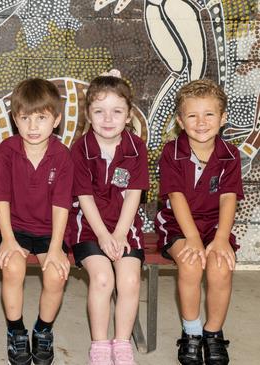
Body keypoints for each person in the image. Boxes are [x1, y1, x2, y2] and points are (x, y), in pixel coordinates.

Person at [155, 79, 243, 365]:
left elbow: (229, 198)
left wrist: (220, 239)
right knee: (191, 264)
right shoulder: (172, 152)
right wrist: (192, 238)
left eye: (209, 114)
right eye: (192, 115)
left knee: (220, 266)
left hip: (215, 226)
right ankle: (191, 332)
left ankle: (213, 333)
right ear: (180, 120)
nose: (201, 122)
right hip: (178, 225)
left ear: (223, 118)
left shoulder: (230, 155)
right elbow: (176, 197)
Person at [68, 72, 149, 365]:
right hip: (88, 226)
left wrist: (119, 234)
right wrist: (103, 235)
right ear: (88, 114)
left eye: (117, 111)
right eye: (99, 111)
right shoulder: (80, 149)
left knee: (128, 280)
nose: (108, 119)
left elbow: (134, 194)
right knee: (102, 279)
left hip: (125, 226)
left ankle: (122, 343)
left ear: (128, 115)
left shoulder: (136, 147)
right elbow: (84, 197)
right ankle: (100, 345)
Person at [0, 78, 72, 365]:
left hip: (50, 231)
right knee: (13, 267)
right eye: (25, 118)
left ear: (56, 120)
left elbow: (61, 204)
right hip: (14, 228)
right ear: (15, 119)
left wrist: (55, 248)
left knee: (55, 274)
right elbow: (0, 197)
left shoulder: (61, 156)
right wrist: (8, 239)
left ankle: (43, 330)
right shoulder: (7, 151)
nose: (33, 126)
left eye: (41, 118)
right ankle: (15, 331)